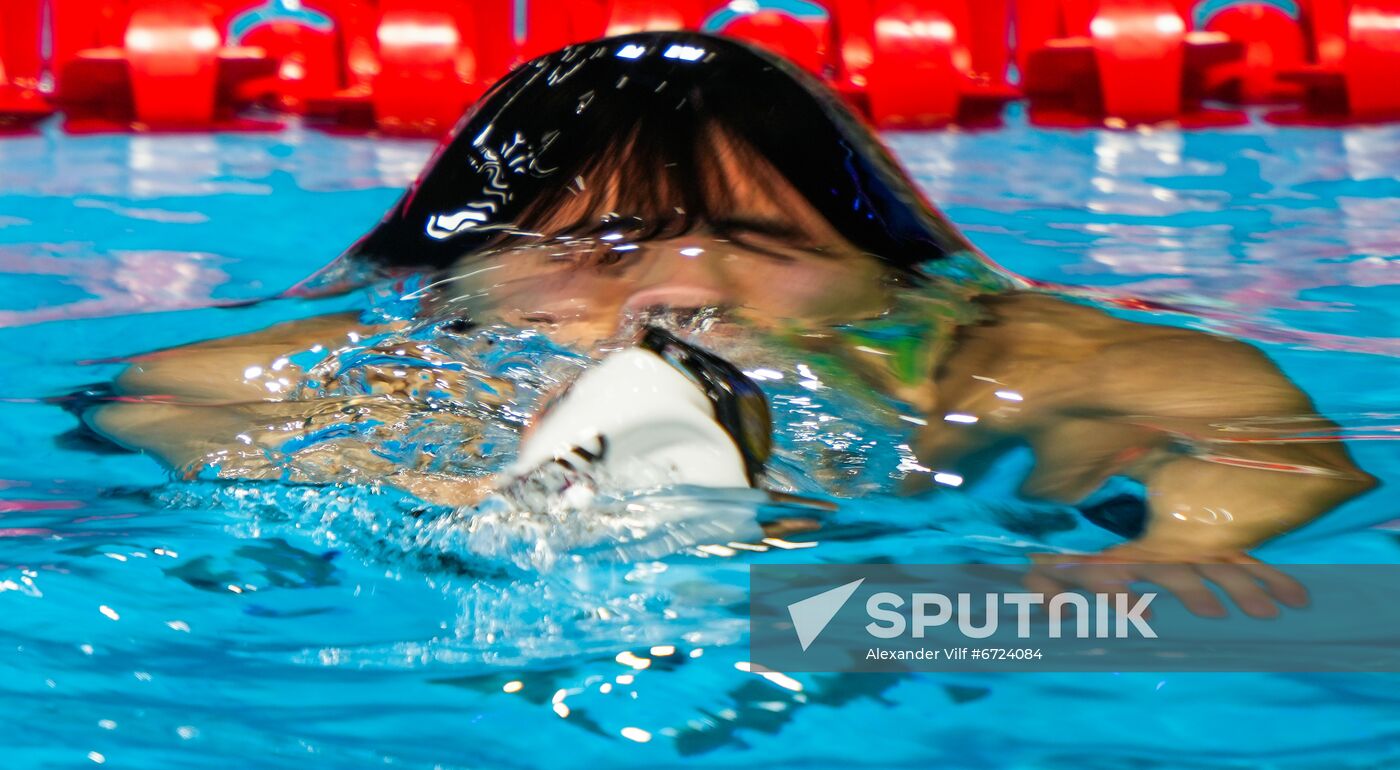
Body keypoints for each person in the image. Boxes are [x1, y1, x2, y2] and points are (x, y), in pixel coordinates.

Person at [84, 32, 1374, 615]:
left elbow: (1252, 446)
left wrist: (1155, 567)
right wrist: (413, 489)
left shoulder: (1014, 359)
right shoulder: (364, 365)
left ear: (892, 274)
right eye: (593, 249)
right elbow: (149, 408)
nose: (675, 292)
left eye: (761, 246)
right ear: (456, 280)